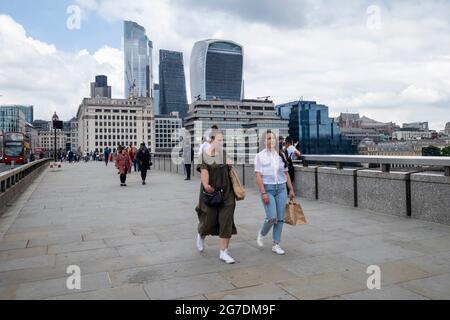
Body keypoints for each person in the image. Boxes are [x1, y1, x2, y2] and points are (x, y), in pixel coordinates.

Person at [195, 130, 237, 264]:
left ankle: (223, 252)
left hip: (227, 193)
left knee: (226, 221)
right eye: (219, 140)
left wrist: (230, 165)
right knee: (208, 221)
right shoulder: (203, 156)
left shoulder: (223, 154)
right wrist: (206, 184)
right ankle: (201, 234)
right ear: (211, 141)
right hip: (210, 194)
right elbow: (204, 174)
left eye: (222, 140)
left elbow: (229, 170)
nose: (221, 142)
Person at [254, 130, 296, 255]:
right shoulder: (260, 156)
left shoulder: (281, 155)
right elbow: (258, 176)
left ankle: (276, 244)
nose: (271, 141)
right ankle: (262, 233)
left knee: (280, 218)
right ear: (264, 141)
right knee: (272, 217)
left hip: (282, 188)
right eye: (268, 138)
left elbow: (286, 173)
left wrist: (291, 189)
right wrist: (263, 193)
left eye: (273, 138)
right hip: (268, 189)